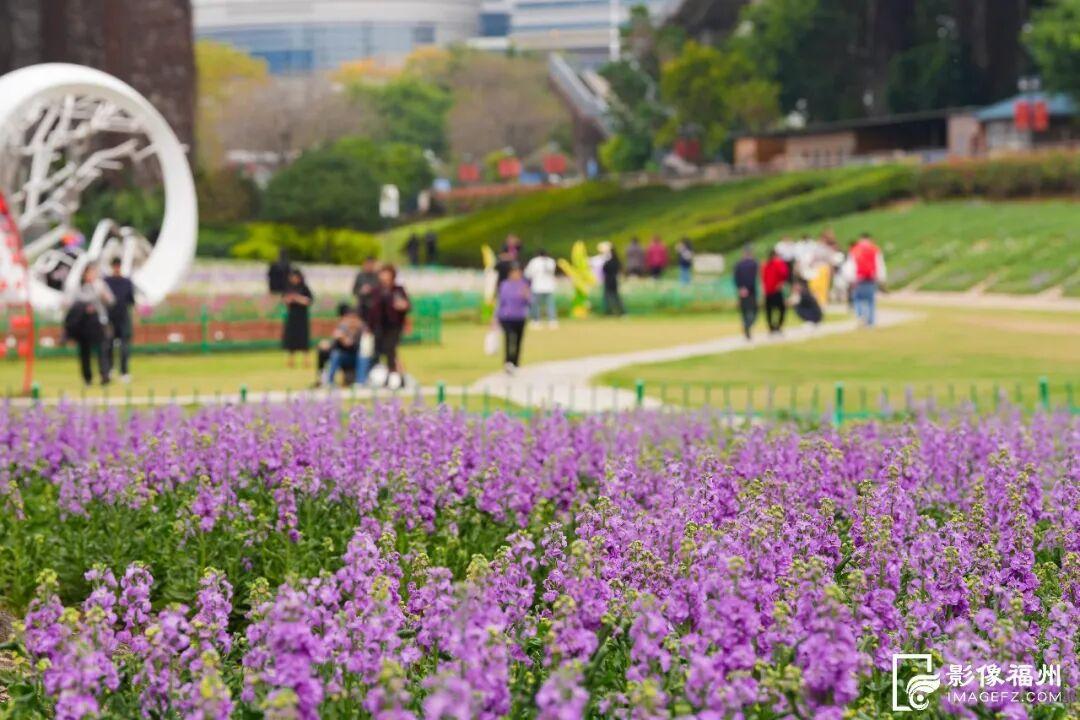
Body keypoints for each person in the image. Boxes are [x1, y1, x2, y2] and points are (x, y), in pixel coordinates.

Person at [65, 264, 114, 386]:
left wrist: (102, 295)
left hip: (99, 322)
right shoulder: (79, 288)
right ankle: (87, 378)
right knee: (85, 351)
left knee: (103, 350)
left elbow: (111, 301)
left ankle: (105, 375)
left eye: (94, 273)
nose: (92, 275)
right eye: (90, 273)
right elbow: (71, 303)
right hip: (84, 325)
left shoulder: (101, 286)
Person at [366, 264, 411, 387]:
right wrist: (369, 327)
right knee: (380, 352)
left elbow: (407, 305)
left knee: (391, 350)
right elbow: (372, 310)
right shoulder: (376, 290)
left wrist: (403, 306)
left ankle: (396, 378)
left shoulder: (398, 290)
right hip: (379, 326)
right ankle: (386, 377)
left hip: (394, 326)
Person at [103, 257, 135, 382]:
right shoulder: (107, 282)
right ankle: (110, 369)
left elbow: (130, 300)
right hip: (110, 317)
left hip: (123, 317)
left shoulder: (126, 282)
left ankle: (124, 371)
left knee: (124, 346)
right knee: (109, 345)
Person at [845, 232, 887, 327]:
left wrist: (850, 279)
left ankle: (860, 315)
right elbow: (879, 264)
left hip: (858, 278)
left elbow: (850, 265)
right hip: (871, 277)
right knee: (870, 300)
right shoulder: (874, 249)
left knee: (858, 299)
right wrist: (881, 279)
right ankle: (870, 321)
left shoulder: (855, 250)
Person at [497, 264, 531, 373]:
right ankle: (508, 361)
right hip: (507, 317)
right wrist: (495, 318)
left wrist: (527, 296)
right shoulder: (505, 285)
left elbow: (530, 303)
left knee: (518, 340)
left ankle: (516, 362)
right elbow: (501, 302)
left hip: (520, 317)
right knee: (508, 339)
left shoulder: (524, 285)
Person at [320, 304, 363, 387]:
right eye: (348, 318)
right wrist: (329, 344)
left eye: (353, 318)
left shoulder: (360, 330)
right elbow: (334, 344)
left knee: (362, 356)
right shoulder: (342, 328)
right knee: (335, 354)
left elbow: (352, 344)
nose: (350, 321)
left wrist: (343, 338)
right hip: (344, 357)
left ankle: (360, 382)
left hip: (356, 357)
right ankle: (329, 381)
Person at [282, 268, 313, 367]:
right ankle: (291, 361)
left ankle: (306, 360)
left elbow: (309, 301)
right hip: (292, 316)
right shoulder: (288, 287)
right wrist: (289, 300)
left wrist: (298, 299)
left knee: (303, 338)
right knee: (292, 338)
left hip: (302, 316)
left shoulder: (304, 288)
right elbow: (284, 299)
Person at [524, 248, 558, 328]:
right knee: (550, 304)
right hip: (549, 286)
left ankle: (536, 320)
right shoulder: (551, 261)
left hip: (537, 286)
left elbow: (528, 273)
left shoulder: (534, 261)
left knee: (536, 304)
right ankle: (552, 320)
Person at [733, 245, 759, 340]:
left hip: (742, 291)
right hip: (751, 291)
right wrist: (745, 288)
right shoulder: (753, 264)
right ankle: (747, 326)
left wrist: (740, 288)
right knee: (753, 311)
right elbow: (751, 278)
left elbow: (736, 278)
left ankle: (746, 326)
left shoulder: (738, 264)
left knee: (745, 311)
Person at [762, 247, 789, 335]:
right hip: (776, 290)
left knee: (769, 310)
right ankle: (778, 326)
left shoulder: (766, 264)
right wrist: (781, 283)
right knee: (781, 309)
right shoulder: (778, 263)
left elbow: (763, 277)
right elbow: (784, 273)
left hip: (768, 291)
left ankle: (771, 327)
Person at [600, 242, 625, 316]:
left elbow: (604, 268)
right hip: (614, 280)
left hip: (609, 280)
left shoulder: (609, 260)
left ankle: (609, 312)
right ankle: (620, 312)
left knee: (609, 297)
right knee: (615, 297)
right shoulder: (616, 259)